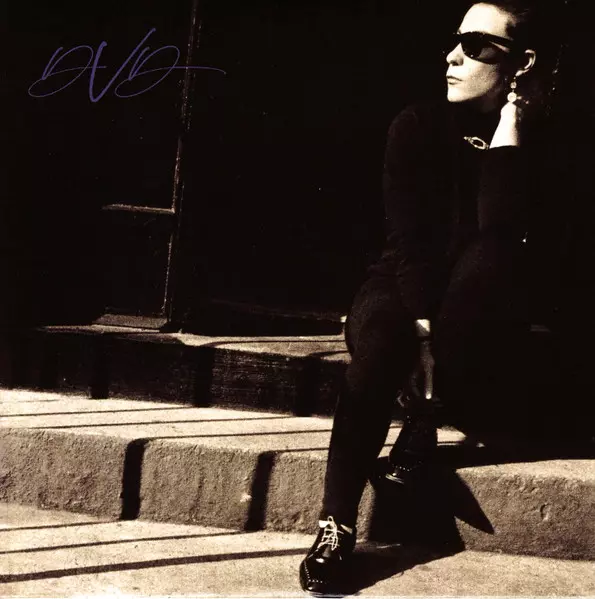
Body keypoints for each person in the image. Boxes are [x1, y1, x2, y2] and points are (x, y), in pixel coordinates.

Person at [299, 1, 576, 595]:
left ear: (522, 63)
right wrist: (424, 328)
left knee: (488, 259)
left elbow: (500, 234)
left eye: (475, 46)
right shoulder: (418, 125)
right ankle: (336, 524)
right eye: (455, 41)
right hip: (403, 285)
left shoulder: (546, 143)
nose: (452, 56)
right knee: (381, 342)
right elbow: (409, 243)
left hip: (479, 310)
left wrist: (510, 126)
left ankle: (422, 422)